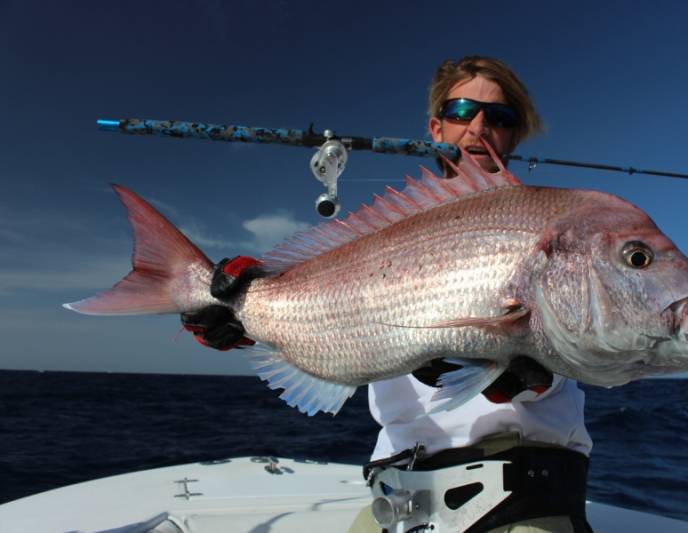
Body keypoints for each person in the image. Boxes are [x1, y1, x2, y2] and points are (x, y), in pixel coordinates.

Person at [181, 56, 593, 533]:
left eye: (500, 117)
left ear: (514, 134)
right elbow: (330, 332)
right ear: (436, 126)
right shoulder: (380, 231)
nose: (479, 126)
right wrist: (239, 315)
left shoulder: (551, 227)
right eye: (462, 111)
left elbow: (588, 350)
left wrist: (533, 375)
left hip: (521, 500)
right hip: (397, 501)